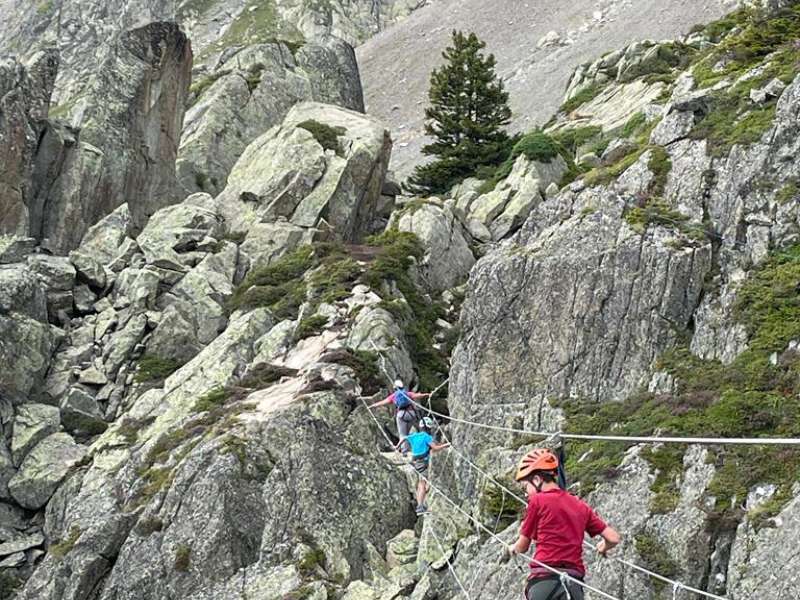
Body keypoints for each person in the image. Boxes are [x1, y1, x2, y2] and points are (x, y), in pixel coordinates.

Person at [507, 448, 621, 600]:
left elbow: (523, 546)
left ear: (536, 480)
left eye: (525, 487)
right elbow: (613, 538)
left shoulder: (537, 501)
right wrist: (603, 546)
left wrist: (512, 548)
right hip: (573, 585)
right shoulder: (580, 505)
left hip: (544, 583)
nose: (526, 493)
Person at [367, 379, 430, 452]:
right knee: (408, 433)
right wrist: (426, 394)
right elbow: (417, 395)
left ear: (395, 388)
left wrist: (372, 406)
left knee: (402, 434)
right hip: (411, 414)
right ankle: (413, 448)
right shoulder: (407, 393)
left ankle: (404, 451)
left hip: (401, 415)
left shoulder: (393, 396)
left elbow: (383, 402)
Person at [405, 416, 450, 514]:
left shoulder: (414, 436)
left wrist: (396, 446)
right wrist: (446, 445)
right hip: (422, 463)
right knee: (422, 483)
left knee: (423, 483)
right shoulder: (426, 436)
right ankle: (420, 506)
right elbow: (435, 447)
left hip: (415, 462)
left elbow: (404, 438)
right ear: (428, 428)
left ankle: (421, 504)